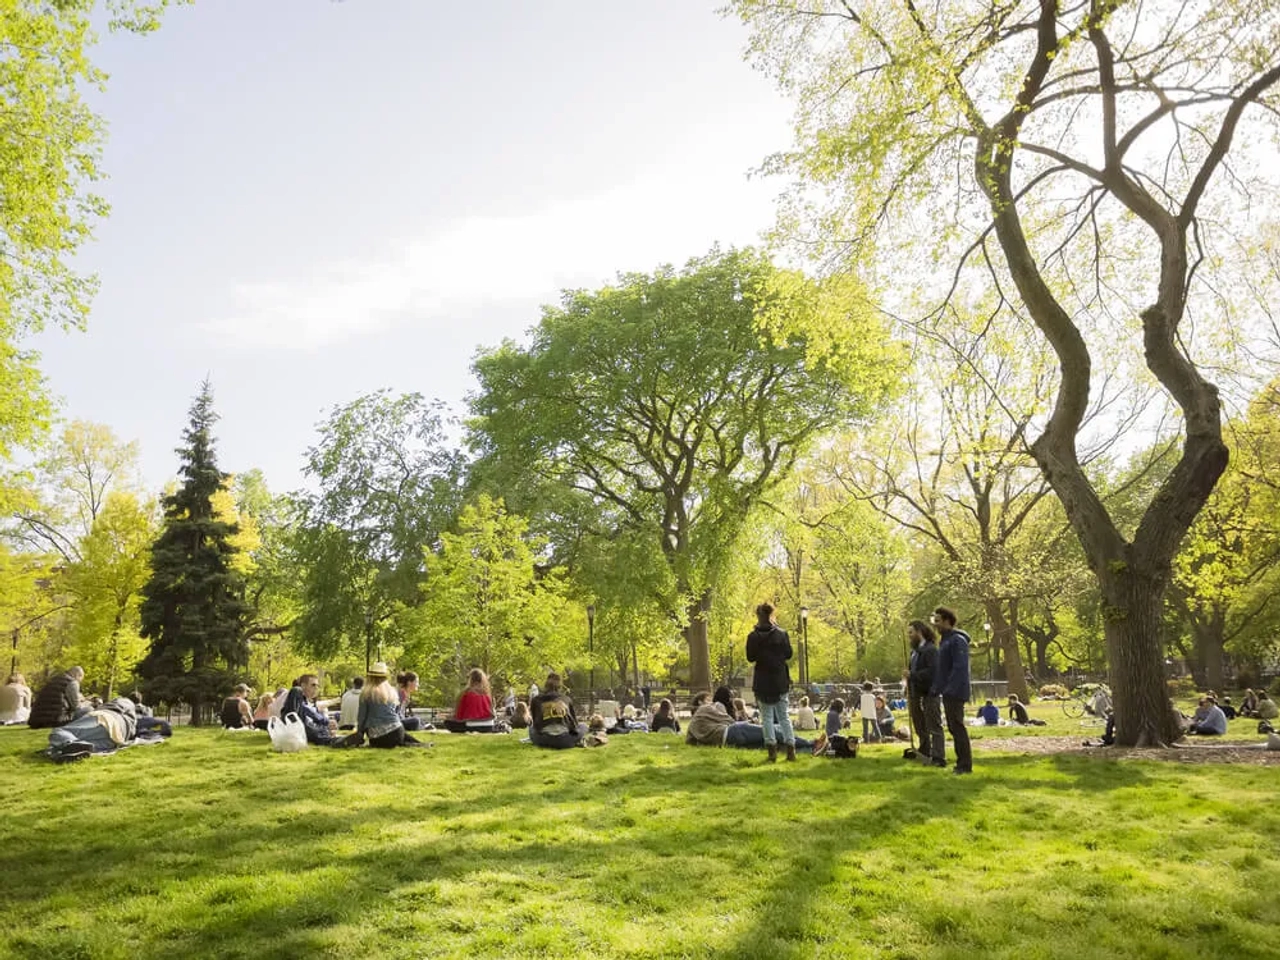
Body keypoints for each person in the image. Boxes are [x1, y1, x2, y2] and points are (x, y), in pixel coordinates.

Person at [746, 602, 797, 762]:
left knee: (766, 717)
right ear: (772, 614)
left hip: (762, 681)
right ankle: (790, 749)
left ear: (758, 616)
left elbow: (750, 657)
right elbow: (788, 654)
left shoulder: (753, 637)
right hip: (780, 679)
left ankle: (772, 751)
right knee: (784, 716)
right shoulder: (782, 634)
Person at [931, 607, 973, 775]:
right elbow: (943, 670)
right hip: (948, 691)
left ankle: (964, 764)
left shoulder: (957, 641)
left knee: (957, 726)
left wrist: (950, 689)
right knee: (953, 728)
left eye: (938, 621)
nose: (935, 625)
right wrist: (935, 689)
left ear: (947, 621)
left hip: (956, 691)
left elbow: (959, 668)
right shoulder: (945, 641)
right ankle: (960, 762)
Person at [352, 662, 424, 748]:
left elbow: (362, 717)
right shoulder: (391, 691)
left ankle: (409, 744)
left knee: (385, 739)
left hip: (378, 736)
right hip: (398, 731)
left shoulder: (367, 693)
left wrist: (359, 733)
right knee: (396, 736)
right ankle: (415, 743)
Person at [907, 621, 944, 766]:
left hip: (930, 693)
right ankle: (924, 751)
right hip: (915, 693)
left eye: (911, 632)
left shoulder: (931, 650)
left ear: (919, 632)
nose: (909, 636)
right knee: (919, 725)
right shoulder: (914, 652)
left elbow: (932, 672)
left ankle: (938, 757)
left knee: (933, 726)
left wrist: (912, 675)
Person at [529, 672, 583, 749]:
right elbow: (574, 723)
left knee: (531, 728)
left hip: (543, 740)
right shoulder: (566, 699)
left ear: (546, 685)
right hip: (565, 740)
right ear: (559, 686)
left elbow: (535, 723)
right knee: (583, 726)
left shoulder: (536, 700)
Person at [281, 674, 340, 744]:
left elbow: (313, 716)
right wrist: (326, 721)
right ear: (303, 686)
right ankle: (330, 739)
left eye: (317, 686)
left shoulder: (311, 703)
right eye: (313, 685)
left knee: (322, 726)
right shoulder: (296, 693)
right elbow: (306, 711)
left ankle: (331, 738)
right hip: (293, 727)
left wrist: (328, 728)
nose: (316, 688)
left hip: (306, 730)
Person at [445, 668, 498, 733]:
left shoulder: (466, 693)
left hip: (471, 725)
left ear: (471, 679)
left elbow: (459, 715)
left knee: (447, 722)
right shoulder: (487, 694)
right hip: (489, 725)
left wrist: (452, 717)